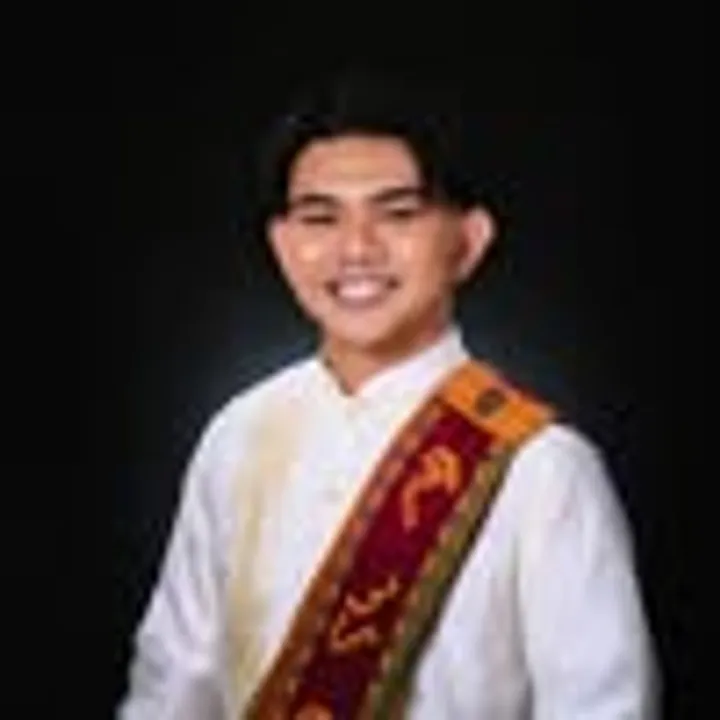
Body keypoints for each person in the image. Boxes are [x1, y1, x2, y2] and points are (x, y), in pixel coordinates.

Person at [117, 69, 658, 719]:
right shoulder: (239, 435)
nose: (356, 248)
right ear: (282, 245)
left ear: (468, 241)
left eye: (397, 214)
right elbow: (171, 690)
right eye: (320, 218)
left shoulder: (542, 467)